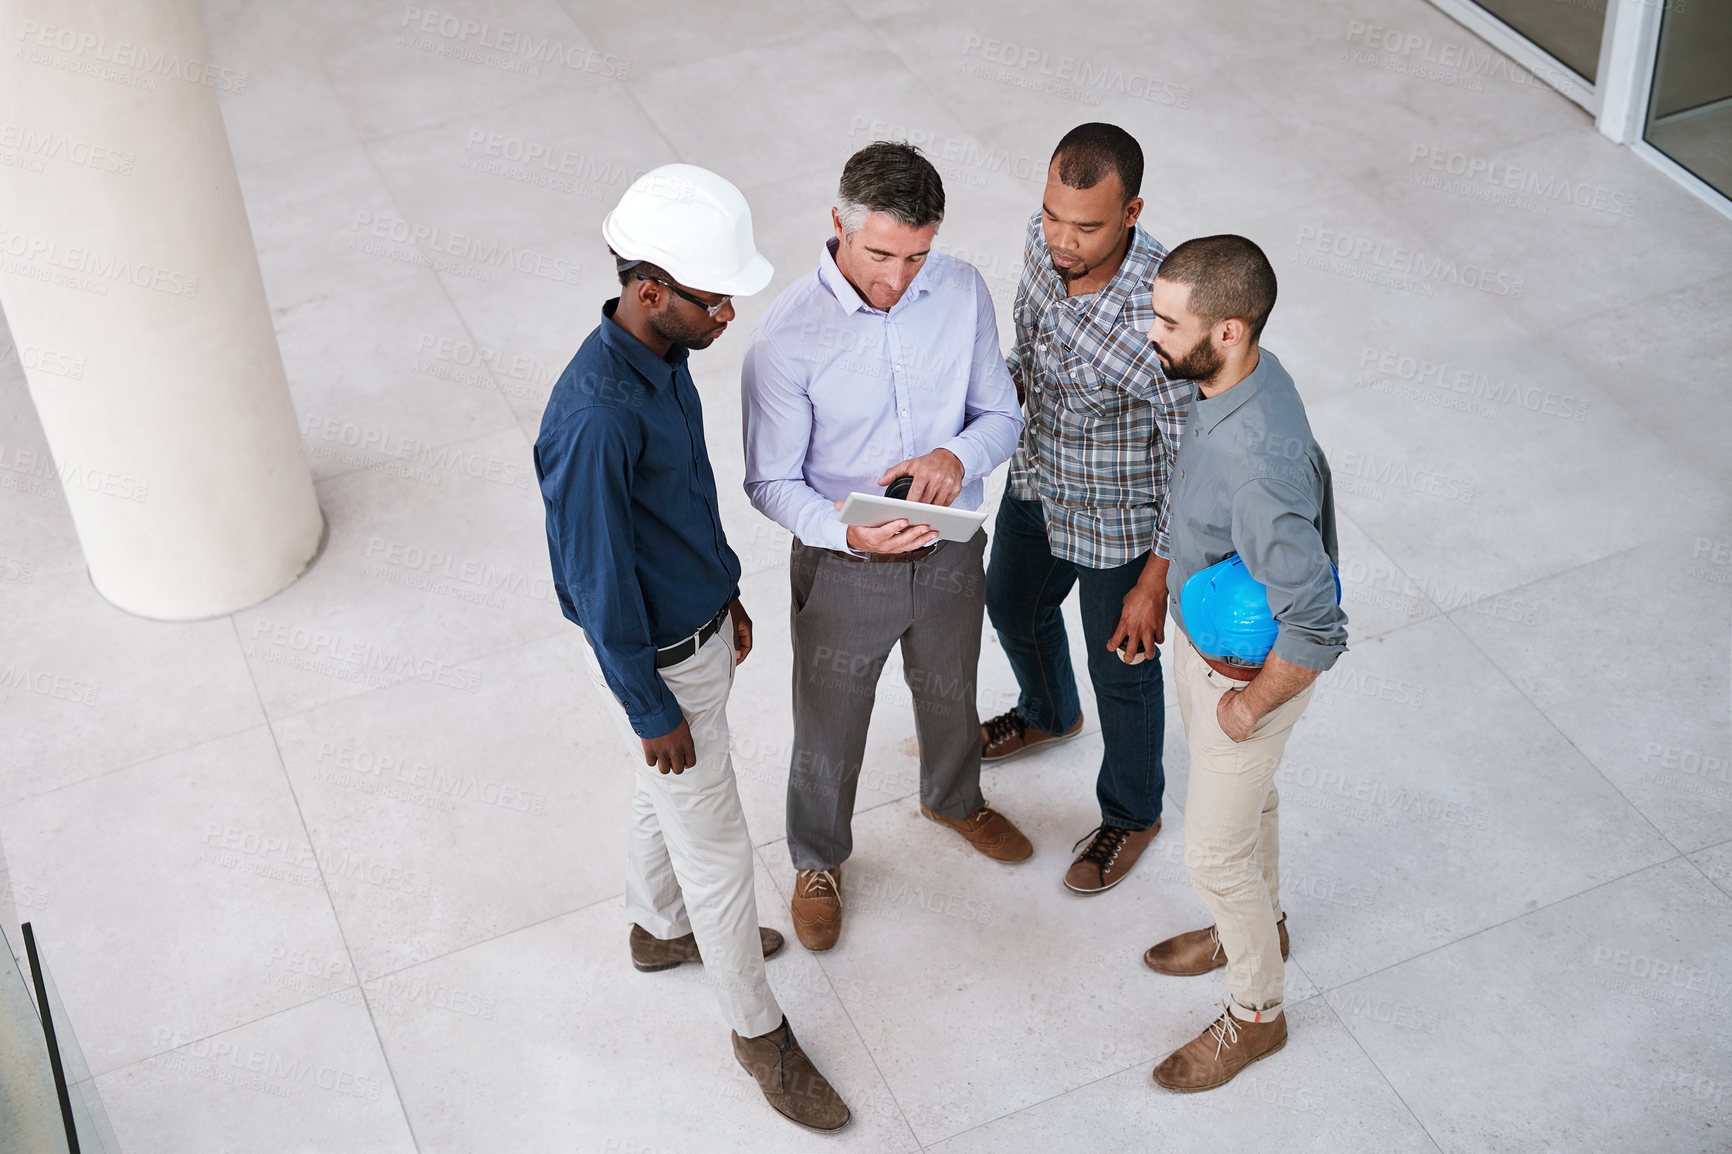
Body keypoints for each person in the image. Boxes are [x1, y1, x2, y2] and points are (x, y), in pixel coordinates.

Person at [534, 163, 849, 1132]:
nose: (726, 317)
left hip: (700, 629)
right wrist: (650, 707)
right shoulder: (594, 415)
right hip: (661, 658)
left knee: (671, 792)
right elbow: (593, 581)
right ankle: (758, 1032)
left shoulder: (663, 362)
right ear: (648, 290)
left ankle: (653, 926)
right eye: (713, 301)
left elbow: (680, 505)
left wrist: (727, 591)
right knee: (717, 852)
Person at [741, 141, 1030, 953]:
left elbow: (1000, 417)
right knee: (829, 723)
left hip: (950, 549)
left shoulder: (962, 289)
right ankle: (818, 859)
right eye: (880, 254)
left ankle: (952, 797)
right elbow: (769, 482)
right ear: (838, 225)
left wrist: (956, 458)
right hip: (845, 562)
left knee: (951, 690)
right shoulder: (786, 338)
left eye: (917, 255)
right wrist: (848, 531)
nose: (899, 277)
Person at [1137, 235, 1349, 1092]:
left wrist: (1248, 705)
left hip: (1244, 680)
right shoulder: (1235, 377)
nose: (1149, 332)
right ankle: (1258, 922)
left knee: (1211, 858)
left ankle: (1257, 1013)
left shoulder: (1258, 466)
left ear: (1228, 329)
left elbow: (1318, 624)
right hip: (1204, 644)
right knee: (1248, 806)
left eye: (1165, 320)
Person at [981, 122, 1192, 895]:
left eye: (1088, 226)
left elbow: (1193, 458)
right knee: (1008, 603)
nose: (1063, 242)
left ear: (1131, 212)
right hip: (1039, 476)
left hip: (1121, 519)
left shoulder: (1165, 318)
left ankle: (1133, 815)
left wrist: (1155, 581)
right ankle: (1047, 712)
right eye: (1052, 216)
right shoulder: (1042, 248)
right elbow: (1028, 353)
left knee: (1123, 672)